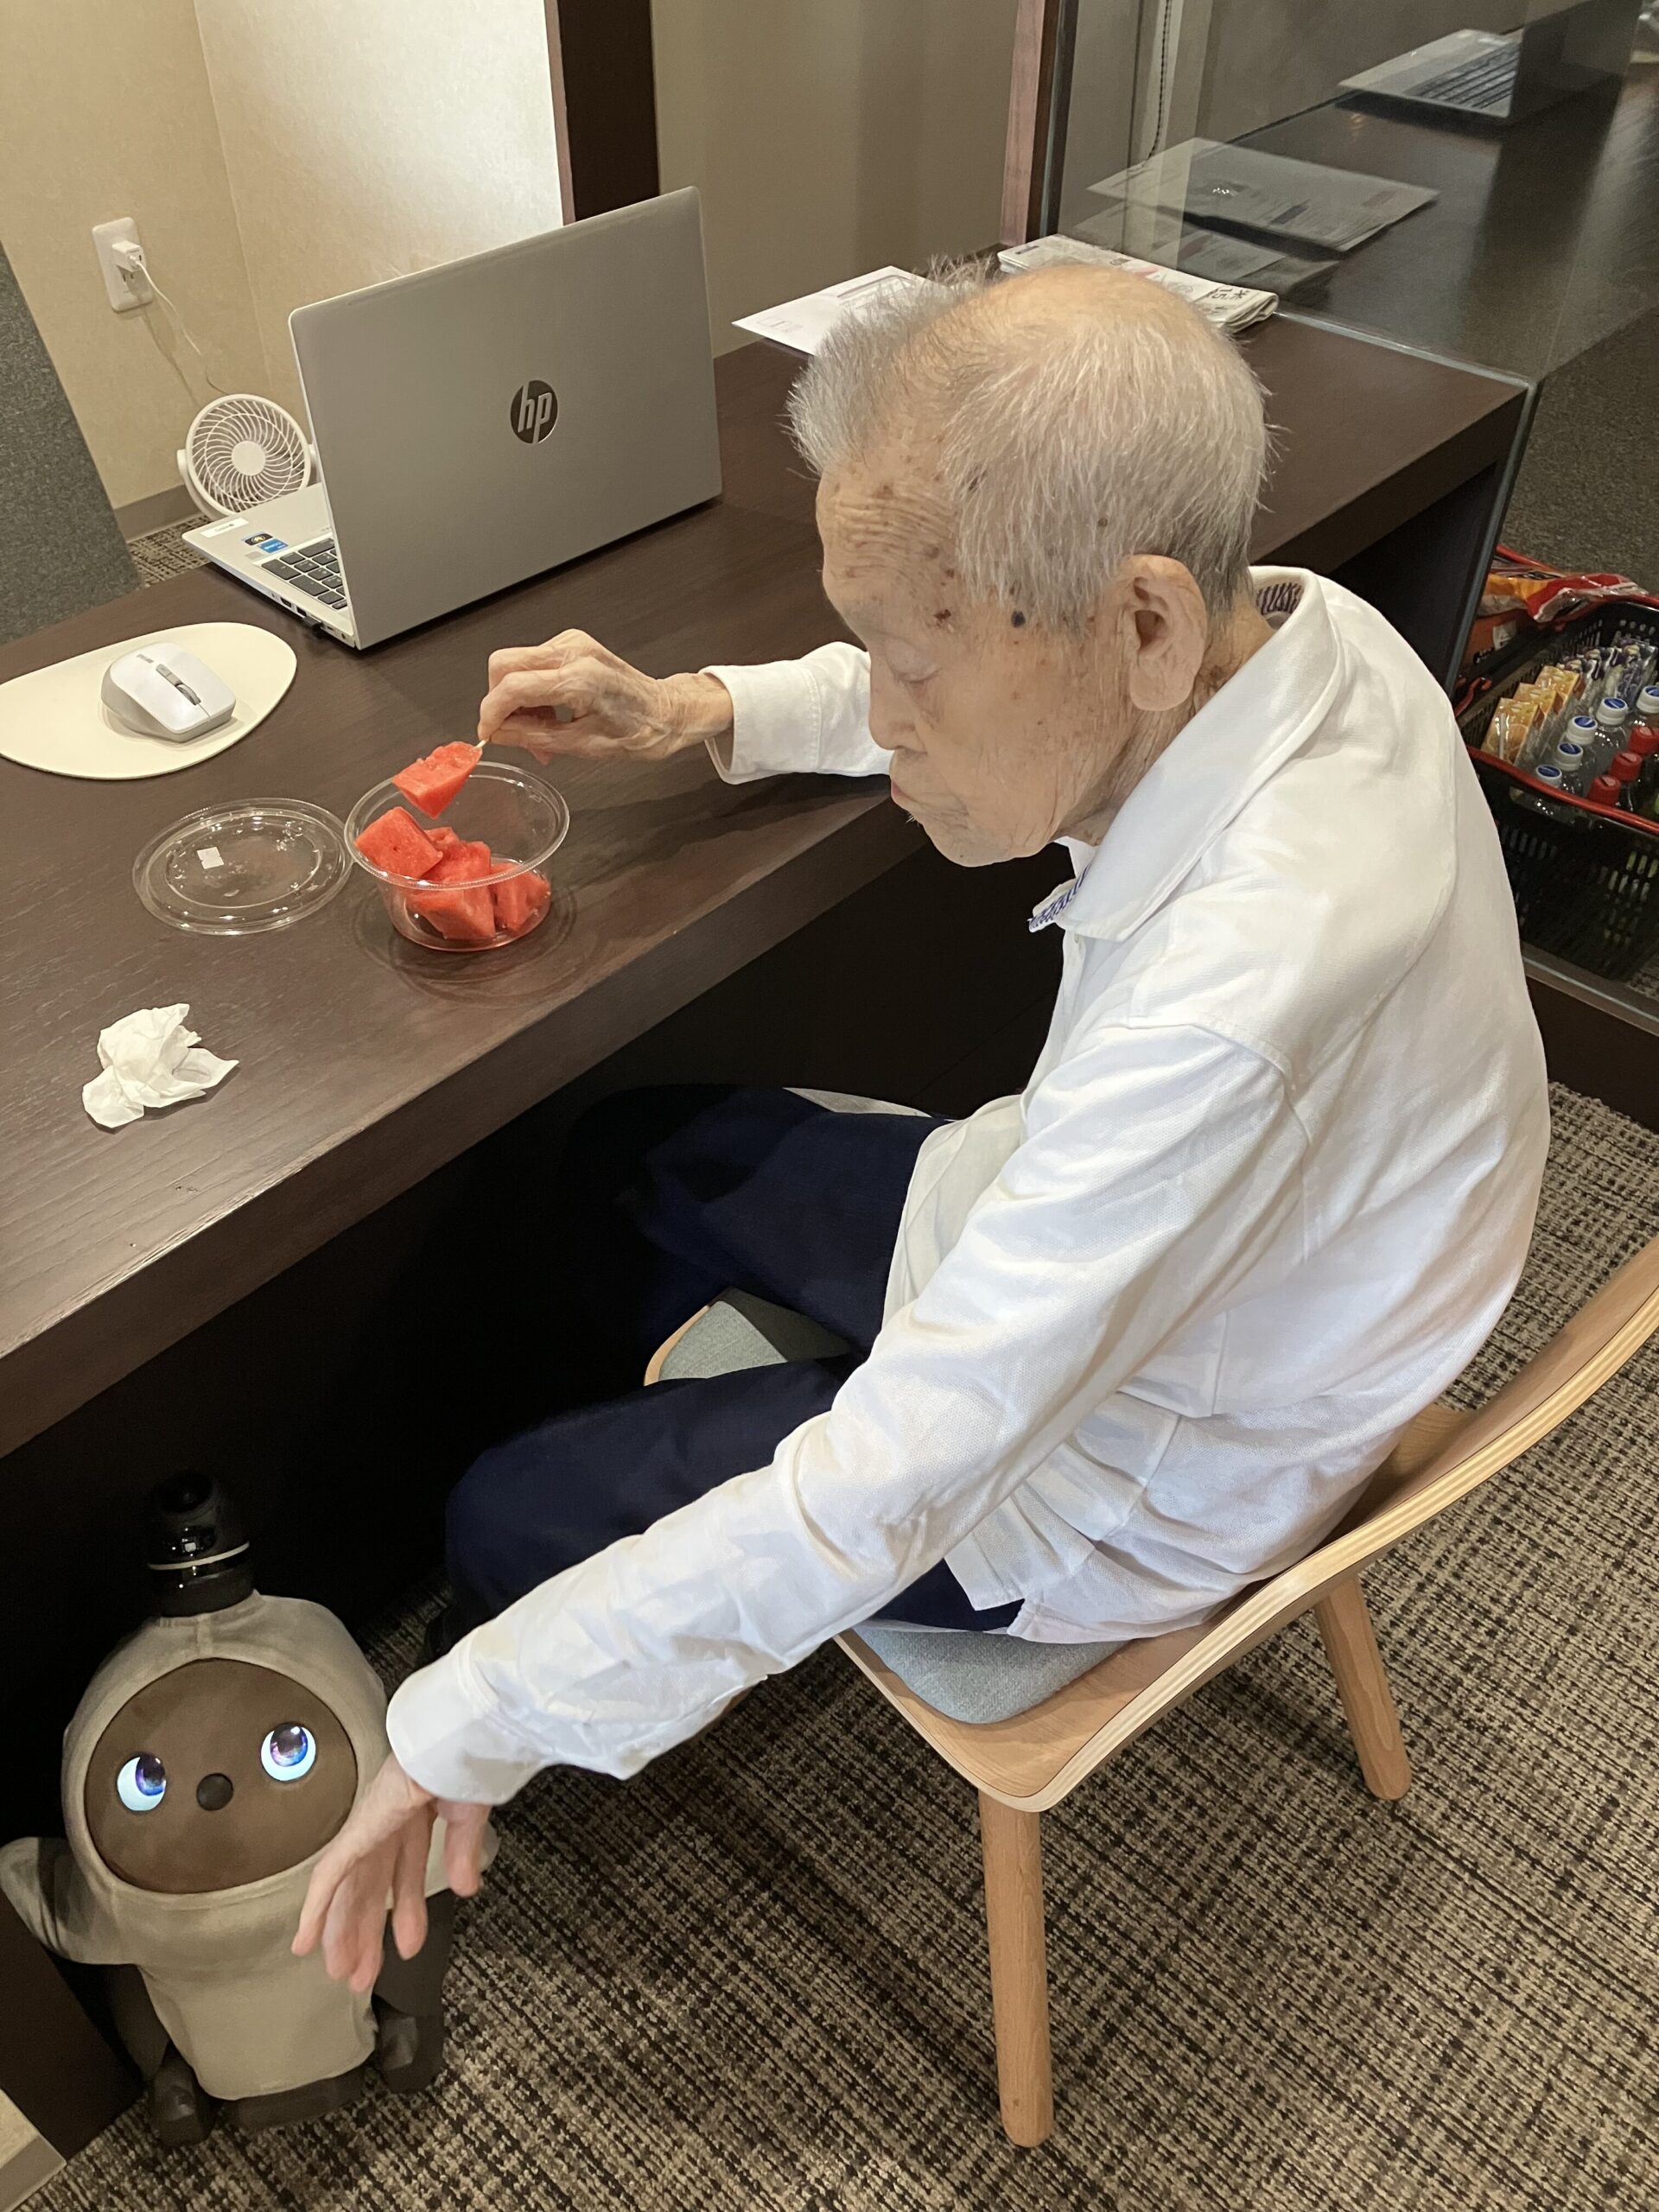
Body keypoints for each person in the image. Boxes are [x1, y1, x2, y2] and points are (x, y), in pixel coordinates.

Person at [296, 264, 1548, 1986]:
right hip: (1140, 1269)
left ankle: (689, 1473)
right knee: (619, 1157)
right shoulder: (1297, 628)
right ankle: (717, 1435)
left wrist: (454, 1727)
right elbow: (958, 638)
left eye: (910, 666)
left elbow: (882, 1493)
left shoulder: (1237, 1001)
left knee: (500, 1522)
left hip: (1119, 1483)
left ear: (1144, 624)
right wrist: (709, 710)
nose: (886, 715)